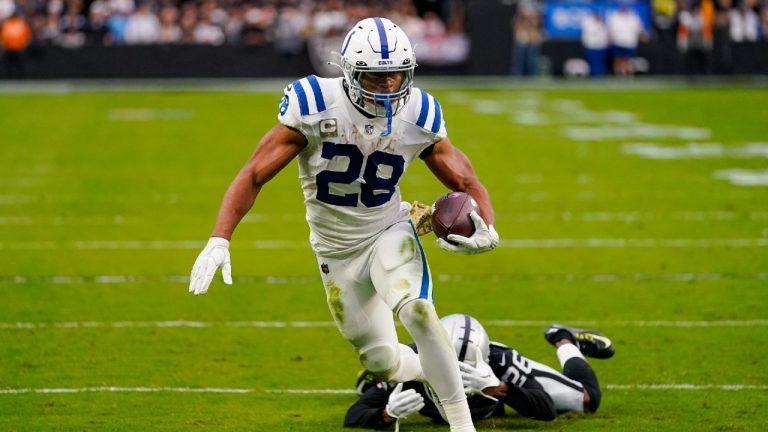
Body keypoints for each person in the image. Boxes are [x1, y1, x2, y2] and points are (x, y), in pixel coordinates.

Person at [188, 17, 499, 432]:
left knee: (420, 312)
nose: (389, 87)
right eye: (376, 77)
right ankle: (439, 369)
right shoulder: (315, 104)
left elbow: (465, 179)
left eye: (396, 76)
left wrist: (487, 226)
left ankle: (463, 424)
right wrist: (219, 239)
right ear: (350, 73)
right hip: (335, 251)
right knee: (382, 362)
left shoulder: (420, 112)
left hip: (389, 229)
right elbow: (253, 174)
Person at [345, 315, 615, 428]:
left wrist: (501, 388)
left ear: (484, 358)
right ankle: (372, 376)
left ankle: (564, 338)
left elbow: (545, 410)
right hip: (405, 361)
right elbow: (354, 415)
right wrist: (386, 414)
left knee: (587, 399)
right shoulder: (414, 364)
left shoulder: (501, 362)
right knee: (382, 370)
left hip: (500, 380)